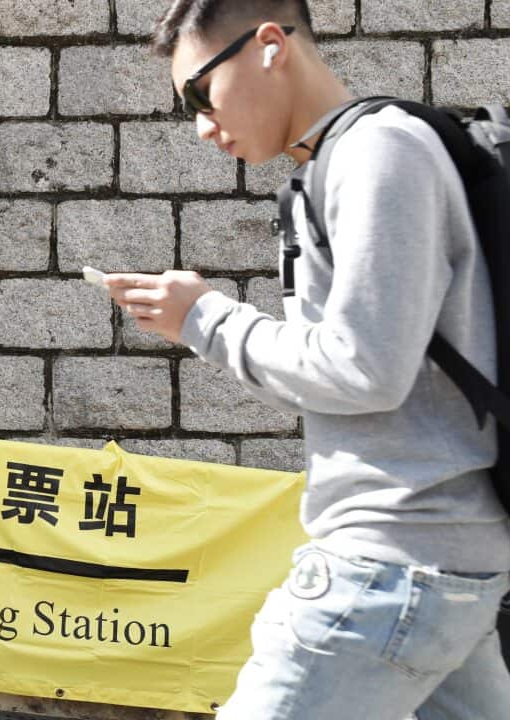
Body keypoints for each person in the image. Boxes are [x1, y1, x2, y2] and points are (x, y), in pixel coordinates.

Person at [103, 1, 510, 717]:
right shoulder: (342, 161)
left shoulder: (379, 151)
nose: (202, 124)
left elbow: (364, 369)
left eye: (201, 92)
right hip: (433, 565)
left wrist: (205, 318)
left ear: (268, 46)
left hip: (390, 565)